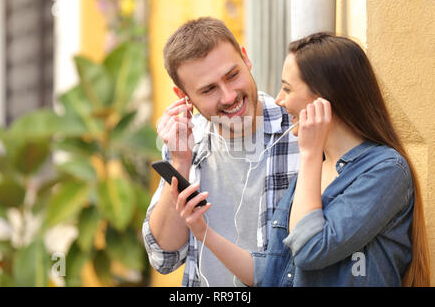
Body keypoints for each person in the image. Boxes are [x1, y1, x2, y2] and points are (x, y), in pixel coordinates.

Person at [175, 32, 431, 286]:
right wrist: (202, 232)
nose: (279, 99)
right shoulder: (316, 169)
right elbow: (272, 270)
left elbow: (310, 250)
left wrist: (308, 154)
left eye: (287, 88)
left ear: (324, 97)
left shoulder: (385, 170)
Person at [142, 17, 300, 287]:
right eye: (209, 89)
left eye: (232, 75)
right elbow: (163, 257)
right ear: (184, 96)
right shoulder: (185, 143)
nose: (228, 96)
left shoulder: (298, 131)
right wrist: (180, 162)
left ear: (245, 58)